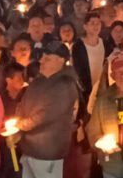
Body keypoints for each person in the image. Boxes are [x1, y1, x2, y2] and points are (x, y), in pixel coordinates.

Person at [14, 41, 80, 178]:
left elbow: (46, 115)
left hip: (47, 152)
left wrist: (20, 125)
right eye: (42, 57)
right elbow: (22, 103)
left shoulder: (64, 85)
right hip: (30, 148)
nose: (41, 61)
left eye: (47, 58)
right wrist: (18, 120)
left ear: (60, 60)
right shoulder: (39, 81)